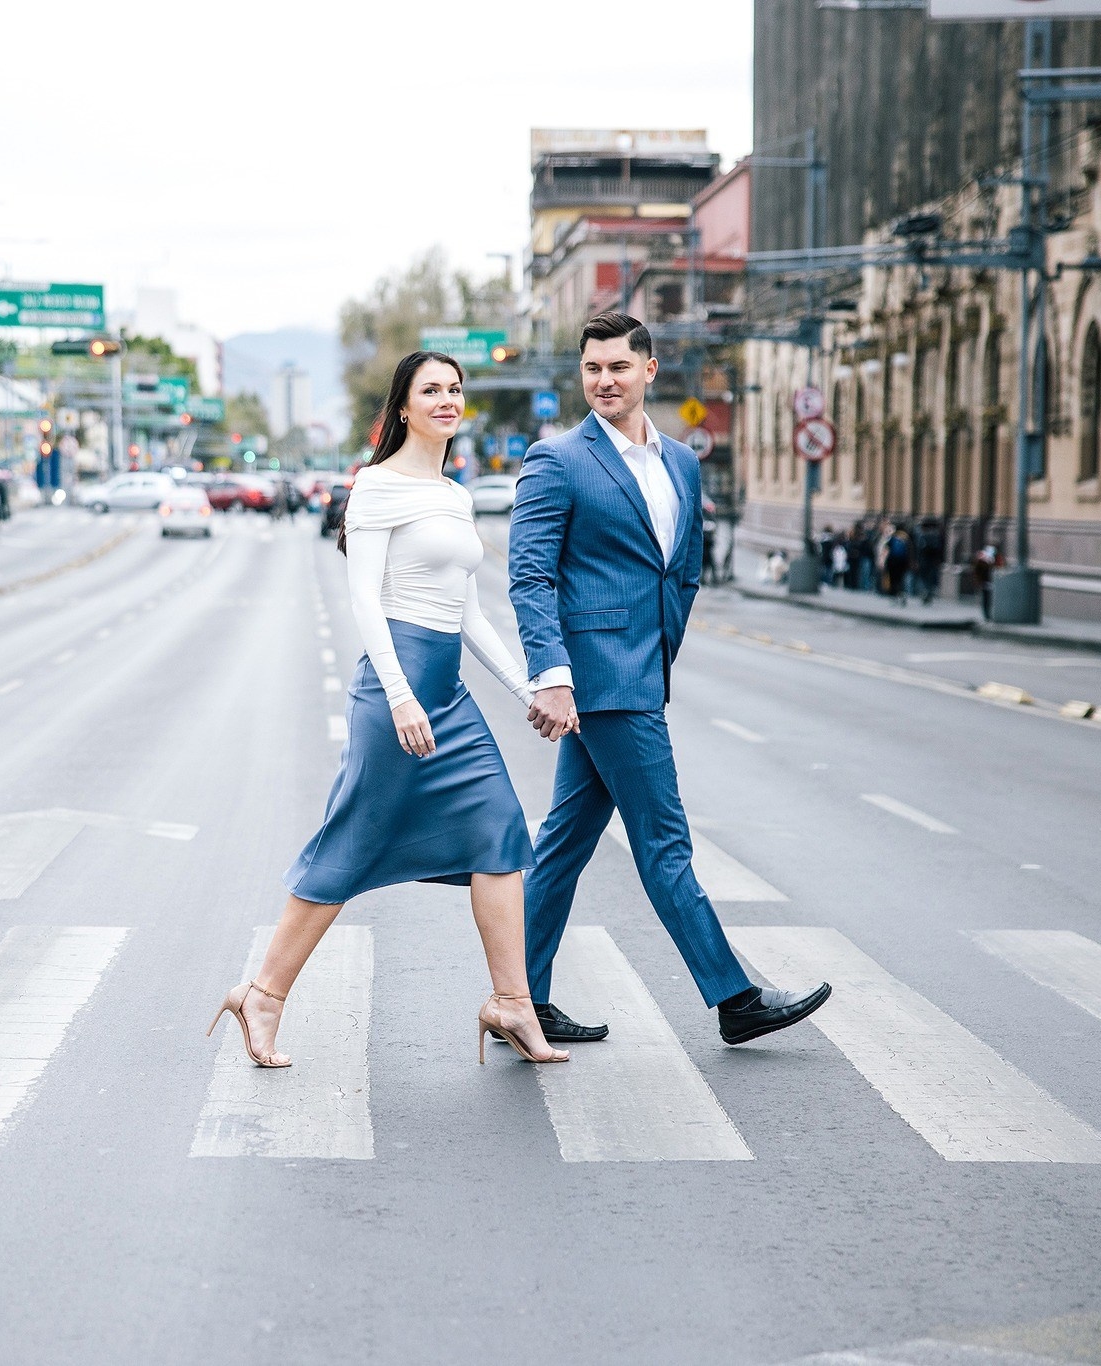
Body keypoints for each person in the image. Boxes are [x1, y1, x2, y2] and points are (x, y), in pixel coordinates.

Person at [208, 351, 570, 1069]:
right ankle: (263, 995)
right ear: (402, 407)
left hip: (449, 695)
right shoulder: (376, 486)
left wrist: (527, 690)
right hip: (395, 695)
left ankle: (511, 1003)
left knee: (500, 836)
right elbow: (364, 599)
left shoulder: (454, 494)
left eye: (455, 389)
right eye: (430, 389)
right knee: (350, 846)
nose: (447, 399)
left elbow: (467, 611)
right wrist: (402, 697)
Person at [509, 311, 830, 1048]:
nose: (604, 381)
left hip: (637, 674)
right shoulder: (556, 459)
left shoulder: (682, 462)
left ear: (649, 370)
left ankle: (517, 997)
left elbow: (681, 572)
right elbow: (529, 576)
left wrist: (657, 653)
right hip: (599, 681)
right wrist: (553, 674)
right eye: (592, 368)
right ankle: (734, 997)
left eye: (618, 367)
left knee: (563, 842)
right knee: (665, 841)